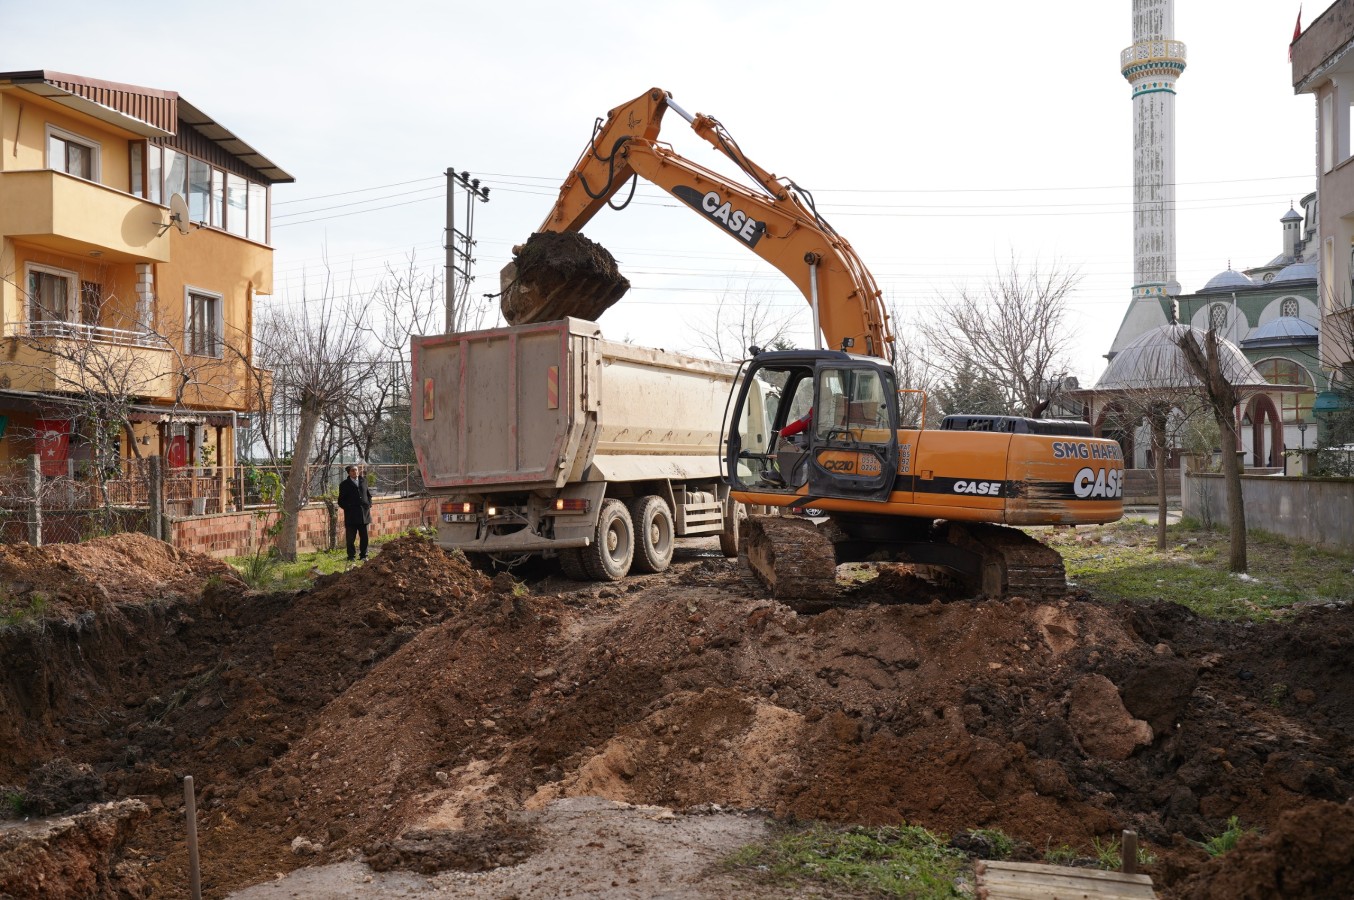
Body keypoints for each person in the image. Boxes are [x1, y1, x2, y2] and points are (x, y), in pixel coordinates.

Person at [338, 465, 372, 561]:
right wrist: (348, 508)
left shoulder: (363, 481)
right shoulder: (344, 484)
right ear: (349, 473)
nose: (355, 472)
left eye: (356, 470)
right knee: (350, 538)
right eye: (352, 471)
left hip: (364, 515)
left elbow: (368, 495)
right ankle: (351, 556)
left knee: (364, 537)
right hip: (351, 516)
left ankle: (363, 555)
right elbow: (341, 501)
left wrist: (369, 504)